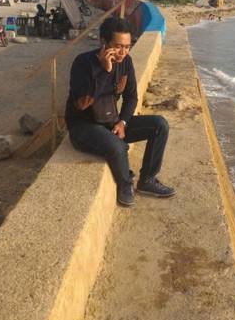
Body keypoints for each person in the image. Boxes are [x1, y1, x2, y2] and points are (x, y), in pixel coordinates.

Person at [65, 16, 175, 206]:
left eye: (127, 46)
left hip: (110, 121)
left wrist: (122, 122)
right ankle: (125, 183)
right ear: (103, 43)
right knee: (118, 146)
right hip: (83, 127)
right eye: (118, 46)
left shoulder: (126, 62)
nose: (123, 51)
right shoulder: (82, 63)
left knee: (160, 125)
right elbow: (82, 103)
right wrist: (104, 71)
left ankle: (147, 180)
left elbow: (131, 96)